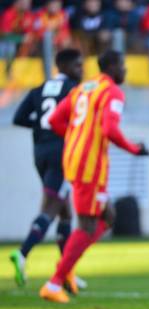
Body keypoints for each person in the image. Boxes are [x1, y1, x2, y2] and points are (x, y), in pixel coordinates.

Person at [39, 50, 149, 303]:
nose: (125, 71)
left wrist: (76, 136)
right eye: (123, 66)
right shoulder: (113, 92)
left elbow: (55, 119)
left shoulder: (83, 88)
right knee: (88, 224)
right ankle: (54, 282)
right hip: (89, 166)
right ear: (112, 67)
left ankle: (66, 266)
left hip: (75, 159)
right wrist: (135, 149)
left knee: (108, 216)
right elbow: (110, 129)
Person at [9, 48, 83, 289]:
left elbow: (18, 118)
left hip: (40, 152)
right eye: (79, 66)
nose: (81, 70)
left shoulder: (39, 89)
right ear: (67, 67)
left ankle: (66, 273)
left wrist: (42, 128)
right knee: (51, 208)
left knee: (65, 212)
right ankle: (22, 253)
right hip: (61, 153)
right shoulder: (73, 89)